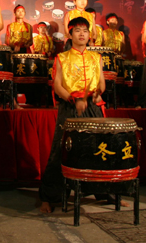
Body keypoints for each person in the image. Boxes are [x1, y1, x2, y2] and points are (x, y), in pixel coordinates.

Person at [40, 17, 108, 213]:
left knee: (98, 148)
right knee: (61, 149)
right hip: (70, 107)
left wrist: (97, 94)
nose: (82, 34)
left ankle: (104, 193)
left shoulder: (96, 57)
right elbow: (58, 86)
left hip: (92, 107)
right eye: (77, 30)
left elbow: (101, 83)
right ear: (70, 35)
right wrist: (73, 99)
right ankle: (49, 197)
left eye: (85, 31)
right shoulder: (62, 57)